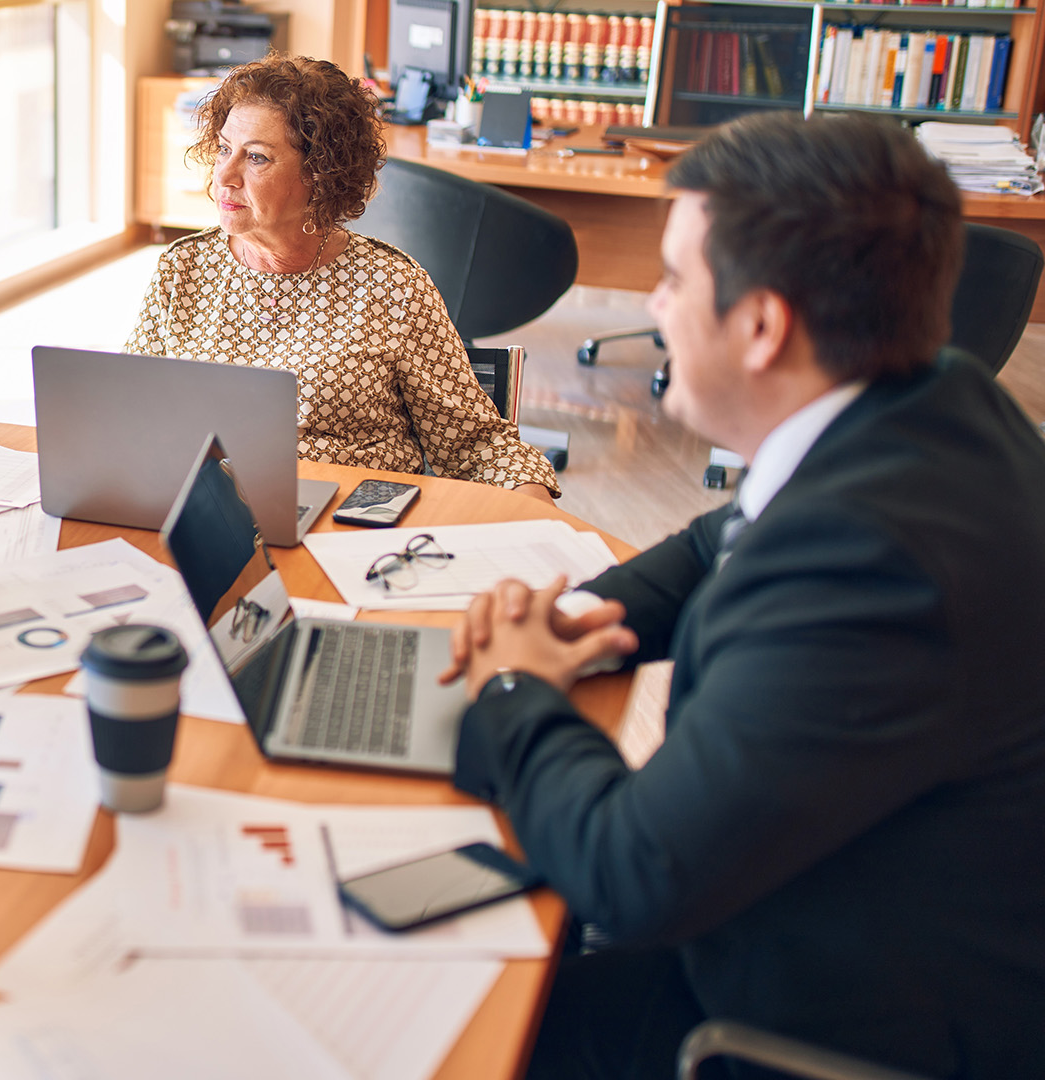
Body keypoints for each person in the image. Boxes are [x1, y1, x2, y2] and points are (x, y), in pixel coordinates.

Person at [441, 111, 1045, 1078]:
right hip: (818, 893)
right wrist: (584, 618)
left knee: (450, 1024)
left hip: (814, 1021)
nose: (653, 298)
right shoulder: (937, 399)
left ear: (763, 325)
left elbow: (631, 877)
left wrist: (517, 687)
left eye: (676, 278)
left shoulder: (868, 566)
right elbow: (719, 536)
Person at [125, 55, 558, 502]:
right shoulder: (183, 269)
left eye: (256, 157)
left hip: (350, 521)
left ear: (320, 174)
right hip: (214, 516)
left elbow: (477, 446)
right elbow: (133, 410)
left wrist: (536, 513)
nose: (224, 175)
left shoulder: (393, 288)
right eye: (222, 149)